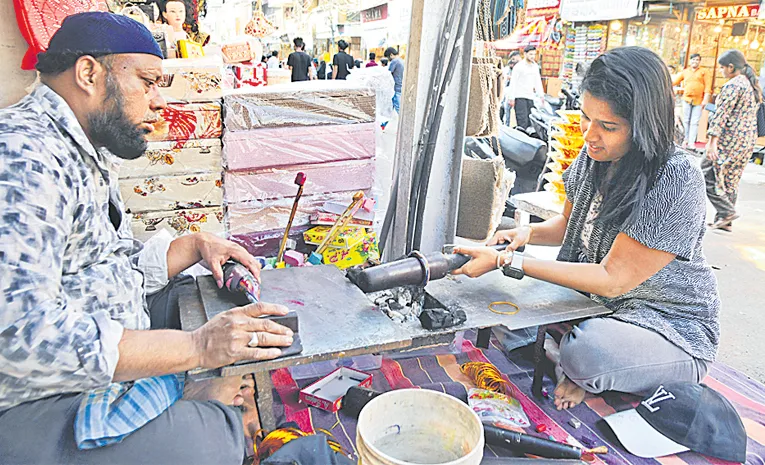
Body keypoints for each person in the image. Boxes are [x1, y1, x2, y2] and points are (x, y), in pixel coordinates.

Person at [0, 12, 294, 463]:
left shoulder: (79, 148)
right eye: (148, 82)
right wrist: (195, 349)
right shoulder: (23, 157)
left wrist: (196, 244)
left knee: (195, 294)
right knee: (214, 437)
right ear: (88, 73)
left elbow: (105, 264)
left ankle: (181, 392)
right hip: (29, 399)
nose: (159, 102)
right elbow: (21, 337)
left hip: (97, 334)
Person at [452, 47, 719, 411]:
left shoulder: (676, 176)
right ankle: (578, 364)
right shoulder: (596, 154)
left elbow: (614, 279)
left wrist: (508, 262)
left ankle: (582, 366)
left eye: (608, 126)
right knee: (496, 307)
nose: (590, 134)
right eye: (585, 117)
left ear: (643, 127)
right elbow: (570, 223)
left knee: (587, 353)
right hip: (598, 306)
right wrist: (526, 235)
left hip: (667, 325)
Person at [703, 50, 761, 231]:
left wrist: (712, 142)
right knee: (731, 179)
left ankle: (726, 211)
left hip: (729, 140)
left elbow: (721, 115)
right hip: (747, 141)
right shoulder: (752, 85)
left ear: (731, 67)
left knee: (707, 173)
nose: (721, 71)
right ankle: (725, 221)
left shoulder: (733, 86)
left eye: (722, 67)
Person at [673, 53, 712, 148]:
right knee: (686, 120)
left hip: (699, 100)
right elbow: (674, 82)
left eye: (697, 60)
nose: (695, 62)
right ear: (690, 61)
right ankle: (685, 141)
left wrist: (705, 100)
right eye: (693, 60)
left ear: (699, 61)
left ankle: (691, 142)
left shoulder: (704, 72)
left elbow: (708, 86)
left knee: (695, 122)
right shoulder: (685, 72)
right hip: (686, 99)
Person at [507, 45, 544, 132]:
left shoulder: (535, 67)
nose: (532, 57)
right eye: (530, 54)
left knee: (530, 121)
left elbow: (537, 82)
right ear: (525, 54)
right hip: (520, 97)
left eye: (534, 54)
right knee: (522, 121)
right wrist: (511, 98)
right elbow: (513, 82)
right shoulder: (519, 67)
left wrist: (541, 96)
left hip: (530, 97)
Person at [501, 51, 521, 126]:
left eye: (513, 58)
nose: (513, 61)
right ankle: (507, 124)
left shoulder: (520, 67)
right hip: (509, 92)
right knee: (507, 108)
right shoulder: (508, 69)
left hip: (518, 93)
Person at [385, 46, 404, 112]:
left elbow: (388, 73)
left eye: (388, 57)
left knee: (397, 109)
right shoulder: (401, 60)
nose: (388, 59)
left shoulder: (394, 61)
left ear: (391, 55)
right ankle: (383, 122)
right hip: (400, 87)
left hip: (395, 88)